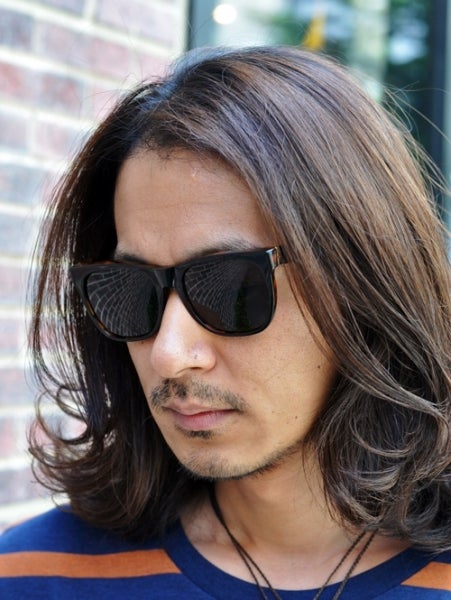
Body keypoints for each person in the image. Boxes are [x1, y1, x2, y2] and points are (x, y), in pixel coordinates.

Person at [0, 45, 450, 599]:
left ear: (359, 282)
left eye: (230, 288)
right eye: (131, 290)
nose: (169, 353)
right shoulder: (37, 576)